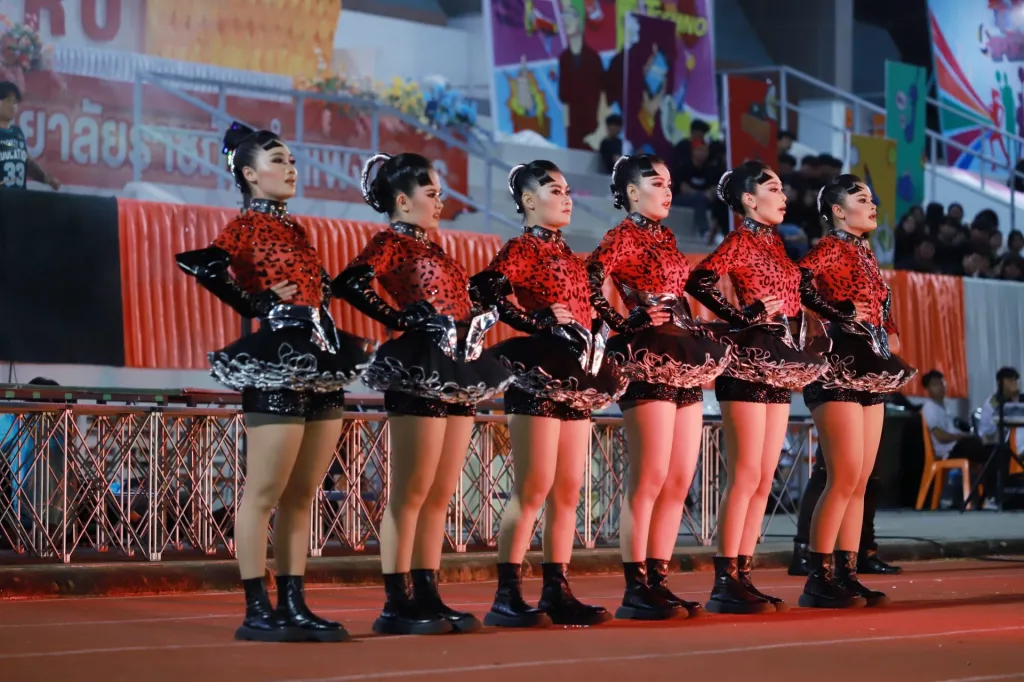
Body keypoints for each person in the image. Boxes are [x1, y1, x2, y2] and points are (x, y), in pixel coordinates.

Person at [175, 121, 374, 643]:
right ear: (248, 173)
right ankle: (256, 608)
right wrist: (256, 302)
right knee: (263, 491)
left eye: (292, 160)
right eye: (279, 160)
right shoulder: (245, 226)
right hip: (275, 362)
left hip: (321, 358)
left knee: (303, 493)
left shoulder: (296, 229)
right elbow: (206, 267)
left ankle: (293, 602)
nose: (291, 168)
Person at [333, 152, 512, 636]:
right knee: (411, 491)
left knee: (440, 492)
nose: (439, 202)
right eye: (431, 194)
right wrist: (399, 318)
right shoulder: (390, 242)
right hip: (418, 366)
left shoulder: (435, 248)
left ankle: (427, 590)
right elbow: (350, 282)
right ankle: (397, 600)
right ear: (402, 200)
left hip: (457, 365)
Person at [471, 160, 625, 628]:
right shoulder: (521, 248)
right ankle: (507, 594)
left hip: (577, 378)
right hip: (538, 374)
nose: (566, 198)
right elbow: (484, 290)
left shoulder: (571, 257)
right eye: (554, 190)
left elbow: (592, 308)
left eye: (568, 190)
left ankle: (557, 589)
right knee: (533, 487)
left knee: (569, 489)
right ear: (528, 201)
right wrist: (533, 320)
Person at [684, 160, 835, 614]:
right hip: (748, 362)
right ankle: (725, 579)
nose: (784, 196)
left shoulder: (776, 243)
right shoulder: (740, 240)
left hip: (779, 362)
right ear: (749, 200)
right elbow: (699, 280)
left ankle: (743, 574)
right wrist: (742, 315)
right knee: (746, 474)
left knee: (764, 477)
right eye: (774, 189)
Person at [587, 154, 731, 620]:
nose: (668, 191)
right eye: (657, 183)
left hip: (684, 352)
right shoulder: (621, 236)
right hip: (647, 356)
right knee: (649, 477)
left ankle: (659, 579)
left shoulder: (666, 237)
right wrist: (623, 322)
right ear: (632, 192)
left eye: (670, 183)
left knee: (679, 478)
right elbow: (589, 280)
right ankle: (636, 588)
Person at [796, 175, 917, 609]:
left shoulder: (866, 252)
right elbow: (798, 284)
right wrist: (839, 312)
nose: (872, 204)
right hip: (836, 369)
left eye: (871, 197)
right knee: (844, 474)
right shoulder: (830, 247)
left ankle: (846, 572)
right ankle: (818, 576)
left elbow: (882, 308)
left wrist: (890, 331)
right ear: (837, 211)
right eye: (861, 198)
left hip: (870, 367)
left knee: (861, 478)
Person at [0, 81, 60, 190]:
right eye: (8, 101)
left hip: (19, 198)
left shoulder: (17, 133)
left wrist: (48, 179)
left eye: (15, 102)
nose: (13, 106)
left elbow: (27, 162)